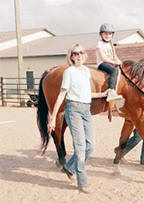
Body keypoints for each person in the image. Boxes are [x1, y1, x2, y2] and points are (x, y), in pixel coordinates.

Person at [47, 44, 107, 193]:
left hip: (86, 109)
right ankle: (82, 182)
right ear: (71, 56)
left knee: (90, 145)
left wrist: (102, 95)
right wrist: (53, 118)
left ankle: (69, 167)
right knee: (80, 147)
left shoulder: (86, 71)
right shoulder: (69, 72)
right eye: (75, 53)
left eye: (81, 52)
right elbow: (62, 94)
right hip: (73, 110)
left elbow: (86, 93)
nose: (79, 55)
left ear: (84, 55)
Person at [96, 23, 123, 102]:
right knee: (113, 70)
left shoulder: (111, 45)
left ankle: (116, 90)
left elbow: (115, 56)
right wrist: (114, 62)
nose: (107, 35)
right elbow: (103, 58)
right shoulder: (99, 44)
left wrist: (119, 61)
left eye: (109, 34)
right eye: (105, 33)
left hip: (110, 63)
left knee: (120, 70)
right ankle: (111, 91)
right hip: (102, 64)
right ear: (101, 34)